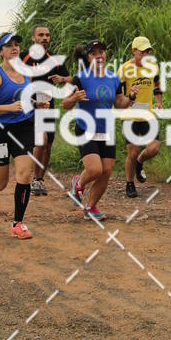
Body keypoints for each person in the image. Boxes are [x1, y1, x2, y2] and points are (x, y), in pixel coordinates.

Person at [0, 32, 45, 239]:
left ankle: (18, 223)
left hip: (23, 128)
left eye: (16, 45)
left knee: (24, 174)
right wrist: (8, 108)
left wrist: (37, 103)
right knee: (0, 184)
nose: (14, 48)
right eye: (8, 46)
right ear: (1, 52)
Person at [62, 39, 137, 221]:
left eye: (101, 52)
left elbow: (119, 103)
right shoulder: (80, 78)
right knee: (95, 170)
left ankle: (91, 207)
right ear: (88, 57)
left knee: (107, 170)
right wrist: (74, 98)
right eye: (94, 53)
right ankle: (78, 183)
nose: (99, 56)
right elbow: (65, 104)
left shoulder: (113, 78)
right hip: (86, 128)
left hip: (106, 130)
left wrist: (131, 98)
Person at [21, 23, 71, 196]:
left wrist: (62, 78)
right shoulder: (24, 57)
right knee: (40, 140)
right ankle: (33, 178)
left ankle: (40, 180)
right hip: (30, 106)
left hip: (48, 106)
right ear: (33, 38)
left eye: (47, 35)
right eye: (41, 35)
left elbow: (72, 79)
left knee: (48, 144)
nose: (44, 38)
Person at [118, 36, 163, 198]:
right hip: (129, 115)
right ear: (134, 51)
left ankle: (139, 161)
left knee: (154, 148)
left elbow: (157, 84)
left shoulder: (152, 66)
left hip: (147, 114)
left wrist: (159, 103)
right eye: (142, 52)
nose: (145, 55)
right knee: (132, 150)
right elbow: (118, 95)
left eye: (148, 52)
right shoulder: (124, 69)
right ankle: (130, 183)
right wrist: (128, 97)